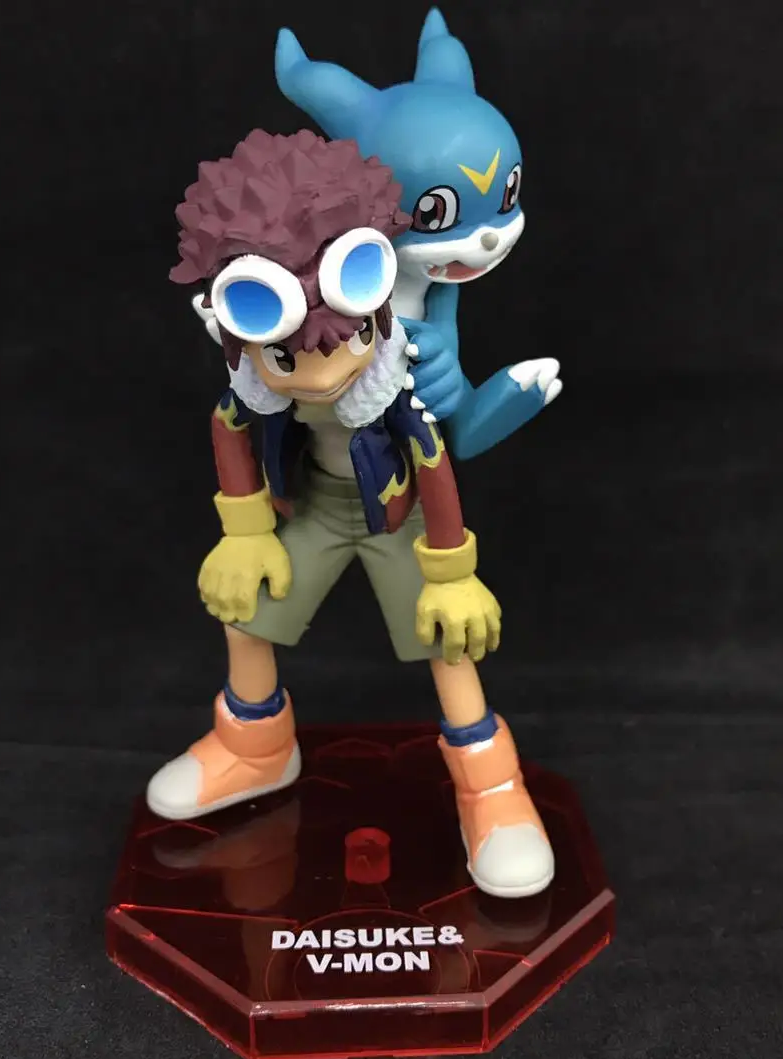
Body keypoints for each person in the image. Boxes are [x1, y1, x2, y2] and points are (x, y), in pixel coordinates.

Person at [147, 128, 555, 899]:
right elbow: (230, 428)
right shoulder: (252, 374)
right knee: (245, 608)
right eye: (288, 358)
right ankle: (256, 747)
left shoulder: (392, 366)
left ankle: (492, 786)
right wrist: (245, 532)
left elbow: (431, 458)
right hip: (314, 508)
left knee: (450, 641)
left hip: (401, 519)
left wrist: (453, 575)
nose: (323, 373)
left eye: (351, 339)